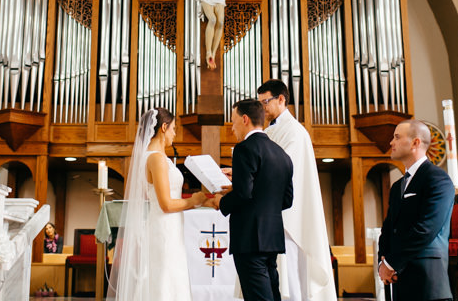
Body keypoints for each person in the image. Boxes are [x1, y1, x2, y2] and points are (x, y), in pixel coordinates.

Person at [108, 108, 207, 301]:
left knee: (166, 277)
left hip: (167, 227)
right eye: (173, 129)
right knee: (165, 280)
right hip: (164, 228)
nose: (175, 134)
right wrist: (193, 201)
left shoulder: (155, 157)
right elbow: (166, 205)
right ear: (163, 127)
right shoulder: (156, 159)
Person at [255, 79, 334, 301]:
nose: (262, 108)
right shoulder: (272, 131)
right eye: (260, 103)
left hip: (291, 217)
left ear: (281, 99)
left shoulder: (295, 132)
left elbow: (281, 169)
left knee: (291, 278)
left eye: (266, 102)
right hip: (274, 213)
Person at [211, 98, 294, 301]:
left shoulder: (244, 149)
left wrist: (220, 203)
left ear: (245, 119)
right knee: (272, 295)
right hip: (272, 238)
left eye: (233, 121)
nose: (232, 128)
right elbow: (287, 199)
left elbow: (243, 193)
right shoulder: (281, 153)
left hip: (249, 238)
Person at [378, 119, 455, 301]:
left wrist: (391, 263)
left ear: (415, 143)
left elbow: (426, 228)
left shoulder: (437, 179)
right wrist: (383, 263)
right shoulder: (398, 186)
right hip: (399, 279)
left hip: (427, 281)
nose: (391, 142)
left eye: (397, 137)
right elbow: (389, 227)